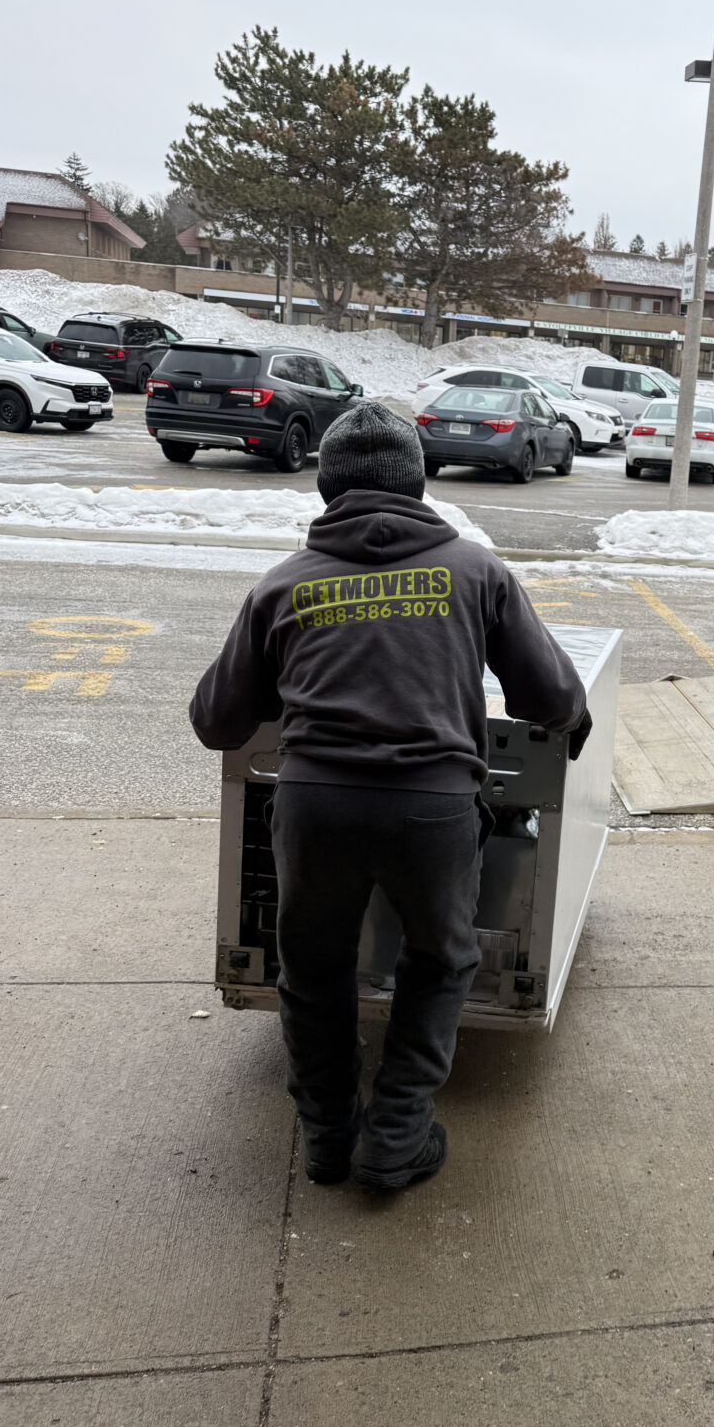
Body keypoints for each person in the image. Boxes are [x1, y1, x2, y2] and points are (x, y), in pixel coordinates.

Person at [189, 401, 589, 1192]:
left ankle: (329, 1140)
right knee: (439, 962)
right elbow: (547, 691)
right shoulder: (475, 571)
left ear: (326, 491)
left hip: (315, 806)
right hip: (432, 809)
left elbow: (216, 721)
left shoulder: (285, 584)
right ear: (420, 482)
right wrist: (572, 718)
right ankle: (397, 1137)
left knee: (313, 968)